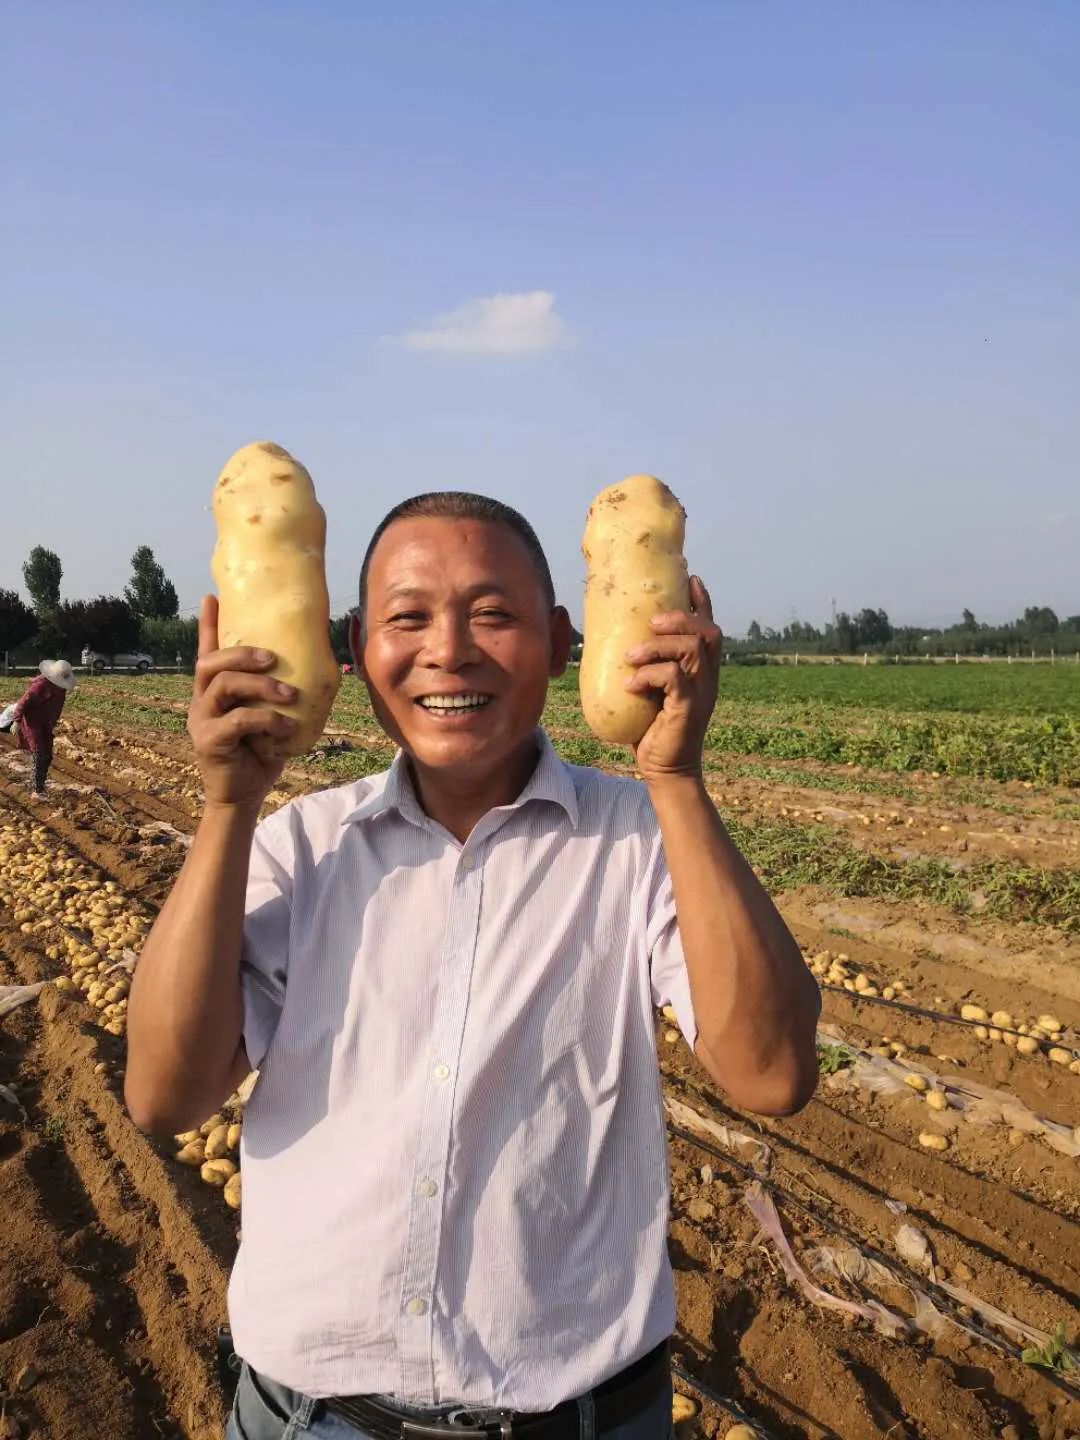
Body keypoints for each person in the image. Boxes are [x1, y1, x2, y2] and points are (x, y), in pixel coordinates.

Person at [125, 493, 820, 1440]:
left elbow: (771, 1072)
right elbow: (165, 1094)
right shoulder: (297, 849)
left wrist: (678, 780)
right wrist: (225, 810)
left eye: (493, 614)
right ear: (354, 649)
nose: (448, 650)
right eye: (407, 618)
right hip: (313, 1421)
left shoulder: (642, 843)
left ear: (565, 642)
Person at [11, 659, 77, 796]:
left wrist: (54, 723)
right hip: (33, 723)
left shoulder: (60, 688)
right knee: (39, 753)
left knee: (47, 756)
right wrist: (16, 721)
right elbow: (23, 702)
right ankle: (36, 790)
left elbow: (56, 707)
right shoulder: (41, 685)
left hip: (46, 724)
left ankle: (38, 784)